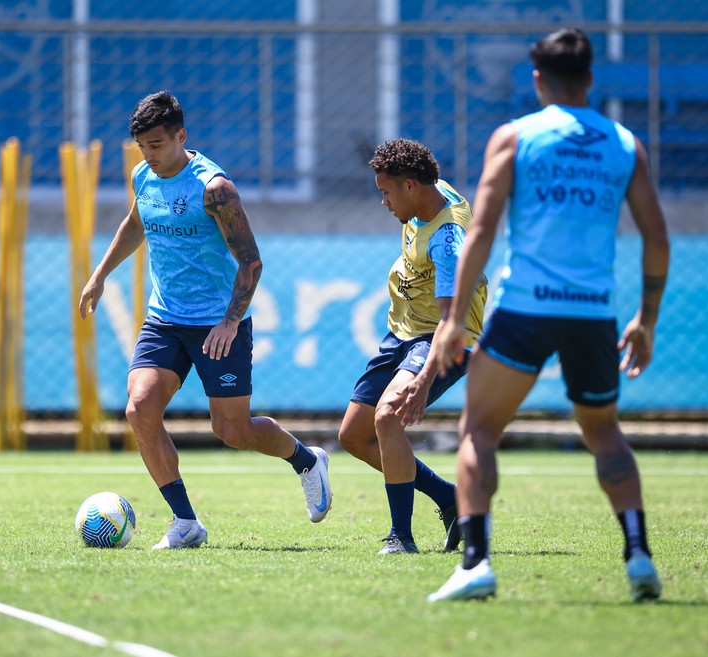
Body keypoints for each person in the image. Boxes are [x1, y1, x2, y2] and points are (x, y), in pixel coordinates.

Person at [427, 28, 670, 602]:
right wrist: (647, 320)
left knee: (479, 430)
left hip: (527, 308)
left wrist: (454, 319)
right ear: (590, 79)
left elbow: (480, 231)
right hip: (592, 313)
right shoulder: (624, 144)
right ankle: (638, 556)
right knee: (605, 433)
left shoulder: (515, 137)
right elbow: (657, 239)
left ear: (536, 80)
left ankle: (476, 562)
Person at [79, 91, 332, 549]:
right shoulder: (143, 176)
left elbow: (251, 262)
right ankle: (185, 522)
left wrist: (230, 323)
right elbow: (136, 224)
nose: (149, 156)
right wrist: (99, 276)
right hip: (165, 319)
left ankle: (307, 460)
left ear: (181, 136)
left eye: (157, 145)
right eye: (142, 147)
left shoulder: (214, 188)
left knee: (231, 431)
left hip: (219, 323)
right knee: (140, 408)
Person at [338, 139, 487, 555]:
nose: (383, 202)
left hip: (443, 337)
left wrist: (422, 382)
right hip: (402, 332)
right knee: (353, 437)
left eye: (386, 192)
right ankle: (449, 498)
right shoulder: (427, 193)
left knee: (387, 418)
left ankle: (401, 537)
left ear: (409, 186)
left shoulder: (447, 238)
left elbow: (449, 321)